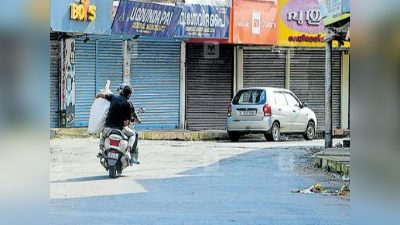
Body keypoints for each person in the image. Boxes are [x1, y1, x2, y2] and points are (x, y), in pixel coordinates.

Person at [95, 84, 140, 165]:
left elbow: (103, 95)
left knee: (103, 136)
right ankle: (129, 152)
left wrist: (98, 95)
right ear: (129, 94)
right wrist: (135, 120)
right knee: (133, 134)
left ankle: (101, 149)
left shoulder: (113, 97)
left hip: (108, 127)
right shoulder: (128, 104)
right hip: (120, 128)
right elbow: (128, 122)